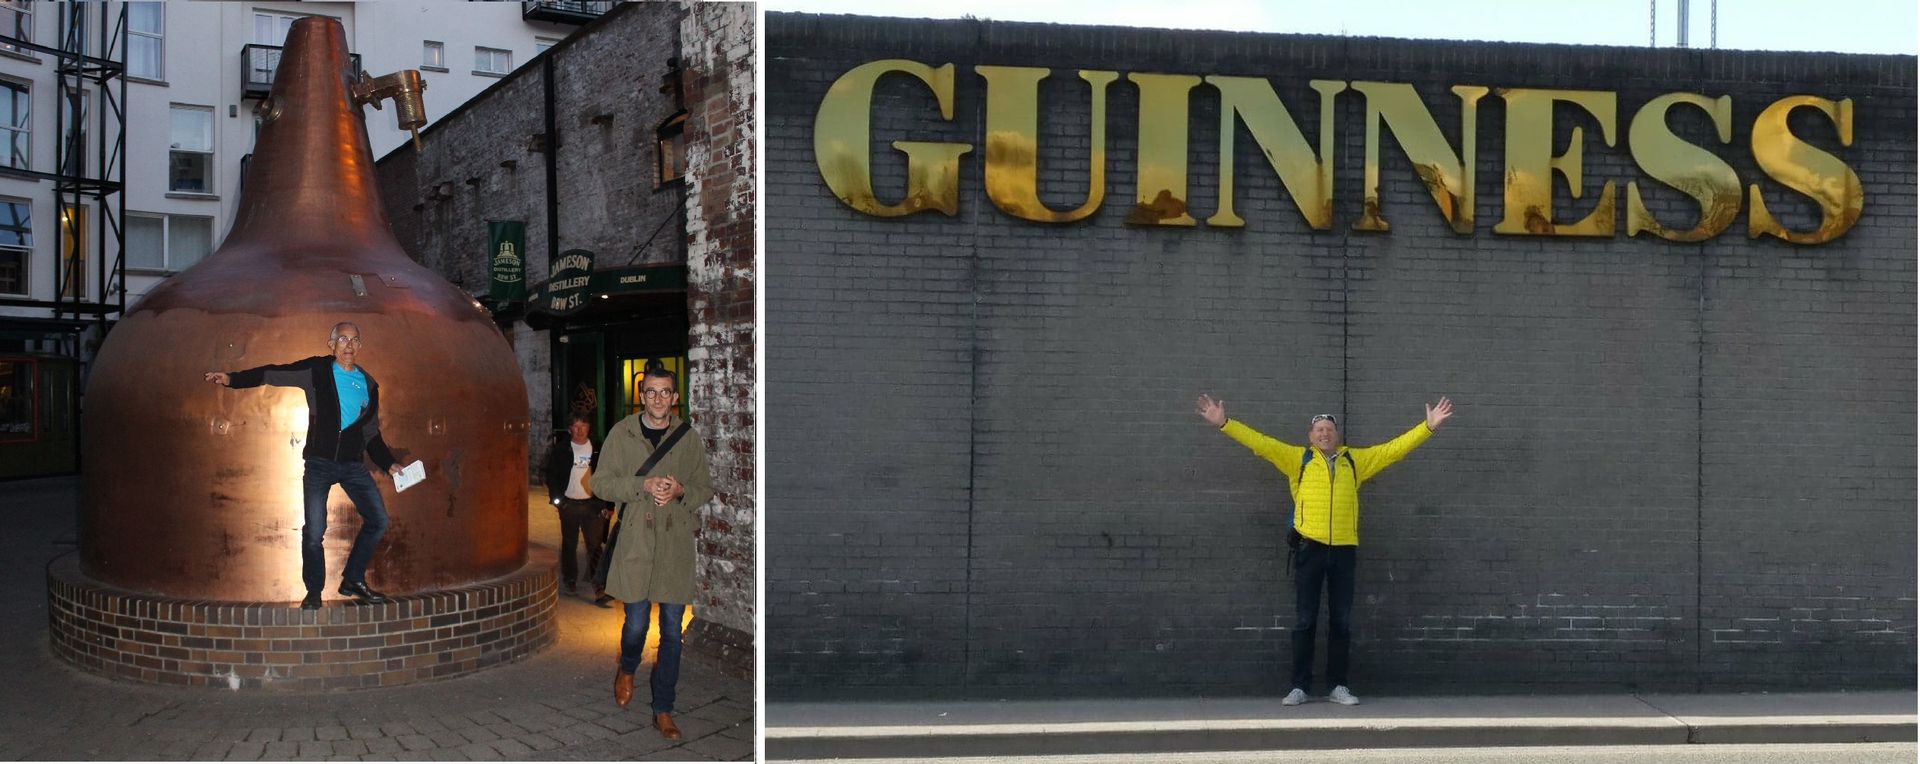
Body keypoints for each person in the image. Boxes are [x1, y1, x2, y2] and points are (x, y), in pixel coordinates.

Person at [1195, 393, 1453, 707]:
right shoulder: (1297, 459)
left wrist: (1427, 427)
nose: (1324, 433)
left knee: (1341, 622)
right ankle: (1299, 686)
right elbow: (1260, 443)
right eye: (1318, 429)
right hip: (1309, 549)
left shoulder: (1354, 461)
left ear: (1337, 434)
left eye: (1329, 429)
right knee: (1305, 620)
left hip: (1344, 551)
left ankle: (1338, 686)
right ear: (1310, 436)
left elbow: (1393, 450)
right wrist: (1224, 423)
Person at [205, 322, 406, 610]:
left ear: (360, 346)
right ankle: (314, 590)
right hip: (319, 464)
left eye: (354, 340)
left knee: (379, 520)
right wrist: (233, 379)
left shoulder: (370, 385)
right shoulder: (317, 371)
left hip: (352, 466)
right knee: (314, 532)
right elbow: (273, 373)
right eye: (342, 339)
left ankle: (353, 579)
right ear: (331, 344)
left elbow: (371, 435)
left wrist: (390, 464)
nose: (348, 345)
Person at [587, 363, 712, 739]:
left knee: (672, 629)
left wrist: (680, 491)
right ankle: (628, 667)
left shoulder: (687, 438)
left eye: (665, 392)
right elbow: (601, 483)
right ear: (642, 397)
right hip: (636, 543)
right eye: (651, 392)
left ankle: (664, 708)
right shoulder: (621, 434)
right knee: (637, 623)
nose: (658, 398)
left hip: (673, 545)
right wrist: (645, 484)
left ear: (675, 398)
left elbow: (704, 487)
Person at [544, 413, 611, 605]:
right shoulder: (562, 449)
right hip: (570, 504)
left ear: (589, 428)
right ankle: (570, 578)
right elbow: (552, 475)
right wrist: (558, 501)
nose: (580, 430)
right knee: (569, 544)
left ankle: (599, 587)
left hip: (592, 504)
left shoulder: (597, 449)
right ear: (569, 428)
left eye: (584, 426)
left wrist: (607, 504)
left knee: (595, 546)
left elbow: (608, 475)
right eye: (576, 426)